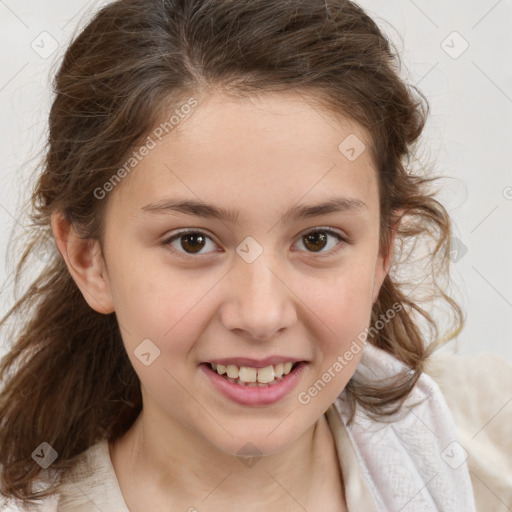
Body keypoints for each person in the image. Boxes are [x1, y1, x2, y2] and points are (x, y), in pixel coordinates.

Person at [2, 0, 508, 510]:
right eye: (192, 241)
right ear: (90, 260)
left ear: (383, 250)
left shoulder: (485, 442)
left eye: (317, 239)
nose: (261, 315)